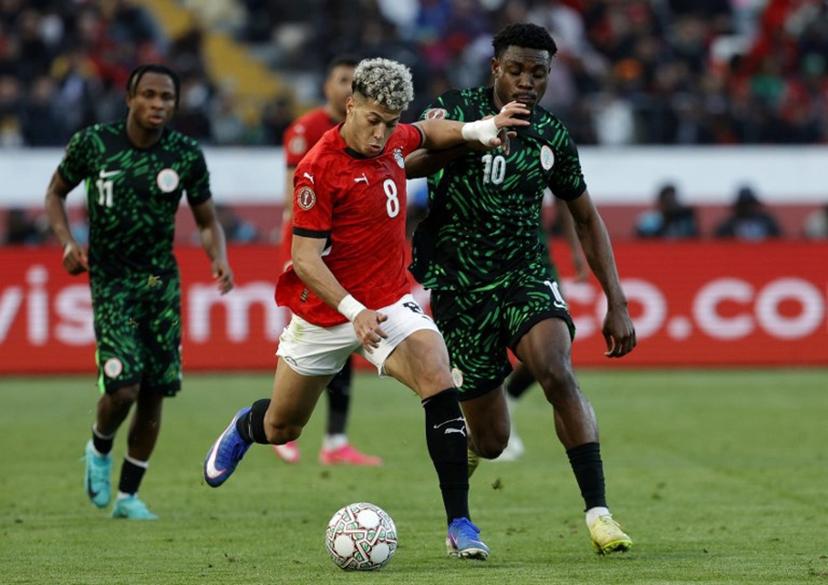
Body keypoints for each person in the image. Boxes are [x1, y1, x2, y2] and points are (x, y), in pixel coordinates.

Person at [203, 57, 530, 560]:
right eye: (373, 120)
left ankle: (460, 523)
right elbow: (304, 259)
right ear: (350, 105)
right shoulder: (317, 168)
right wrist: (353, 310)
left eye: (389, 122)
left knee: (437, 375)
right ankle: (247, 425)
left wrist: (479, 129)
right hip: (324, 312)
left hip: (389, 300)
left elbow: (426, 132)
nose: (381, 134)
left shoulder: (395, 138)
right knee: (284, 427)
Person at [406, 23, 636, 554]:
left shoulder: (551, 134)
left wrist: (616, 301)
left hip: (525, 276)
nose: (527, 81)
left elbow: (585, 217)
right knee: (491, 440)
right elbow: (404, 164)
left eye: (539, 72)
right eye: (517, 70)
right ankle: (462, 493)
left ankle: (600, 514)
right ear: (495, 70)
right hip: (461, 290)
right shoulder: (451, 107)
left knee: (554, 368)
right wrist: (472, 134)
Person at [45, 64, 234, 520]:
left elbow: (207, 221)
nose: (158, 105)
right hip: (111, 280)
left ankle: (129, 497)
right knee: (124, 387)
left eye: (167, 98)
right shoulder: (94, 143)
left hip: (159, 283)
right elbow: (55, 194)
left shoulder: (185, 153)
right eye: (149, 95)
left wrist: (218, 256)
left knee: (154, 390)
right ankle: (98, 446)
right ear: (130, 97)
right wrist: (68, 242)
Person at [274, 55, 381, 466]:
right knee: (300, 344)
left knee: (348, 341)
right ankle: (279, 424)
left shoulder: (372, 131)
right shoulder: (306, 130)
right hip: (308, 253)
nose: (346, 86)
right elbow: (293, 198)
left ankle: (335, 441)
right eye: (341, 79)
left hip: (349, 259)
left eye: (353, 81)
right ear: (327, 87)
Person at [714, 186, 782, 240]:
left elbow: (779, 239)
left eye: (749, 204)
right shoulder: (729, 225)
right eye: (743, 205)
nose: (747, 208)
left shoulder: (766, 222)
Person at [635, 183, 699, 239]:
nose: (670, 204)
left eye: (672, 200)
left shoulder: (685, 216)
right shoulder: (651, 219)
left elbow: (692, 236)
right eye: (667, 200)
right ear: (660, 201)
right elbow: (644, 238)